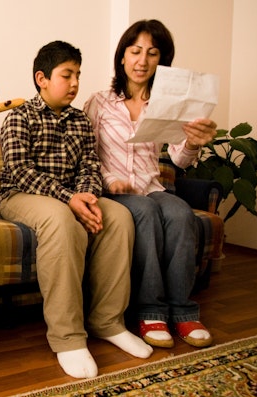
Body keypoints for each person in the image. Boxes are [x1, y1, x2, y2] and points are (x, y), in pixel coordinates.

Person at [0, 40, 153, 379]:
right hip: (23, 195)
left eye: (78, 76)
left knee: (120, 217)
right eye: (66, 75)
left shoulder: (81, 121)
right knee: (60, 220)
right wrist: (68, 199)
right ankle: (67, 337)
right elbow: (20, 171)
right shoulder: (18, 117)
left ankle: (107, 322)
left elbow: (90, 165)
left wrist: (86, 195)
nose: (75, 83)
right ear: (41, 78)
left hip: (71, 195)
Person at [83, 19, 216, 349]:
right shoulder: (99, 103)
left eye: (152, 53)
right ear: (123, 56)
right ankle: (150, 311)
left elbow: (179, 159)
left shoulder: (166, 105)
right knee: (142, 210)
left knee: (182, 213)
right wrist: (109, 180)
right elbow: (84, 153)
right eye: (135, 51)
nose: (142, 61)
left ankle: (183, 312)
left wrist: (194, 142)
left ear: (162, 61)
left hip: (153, 187)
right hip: (114, 192)